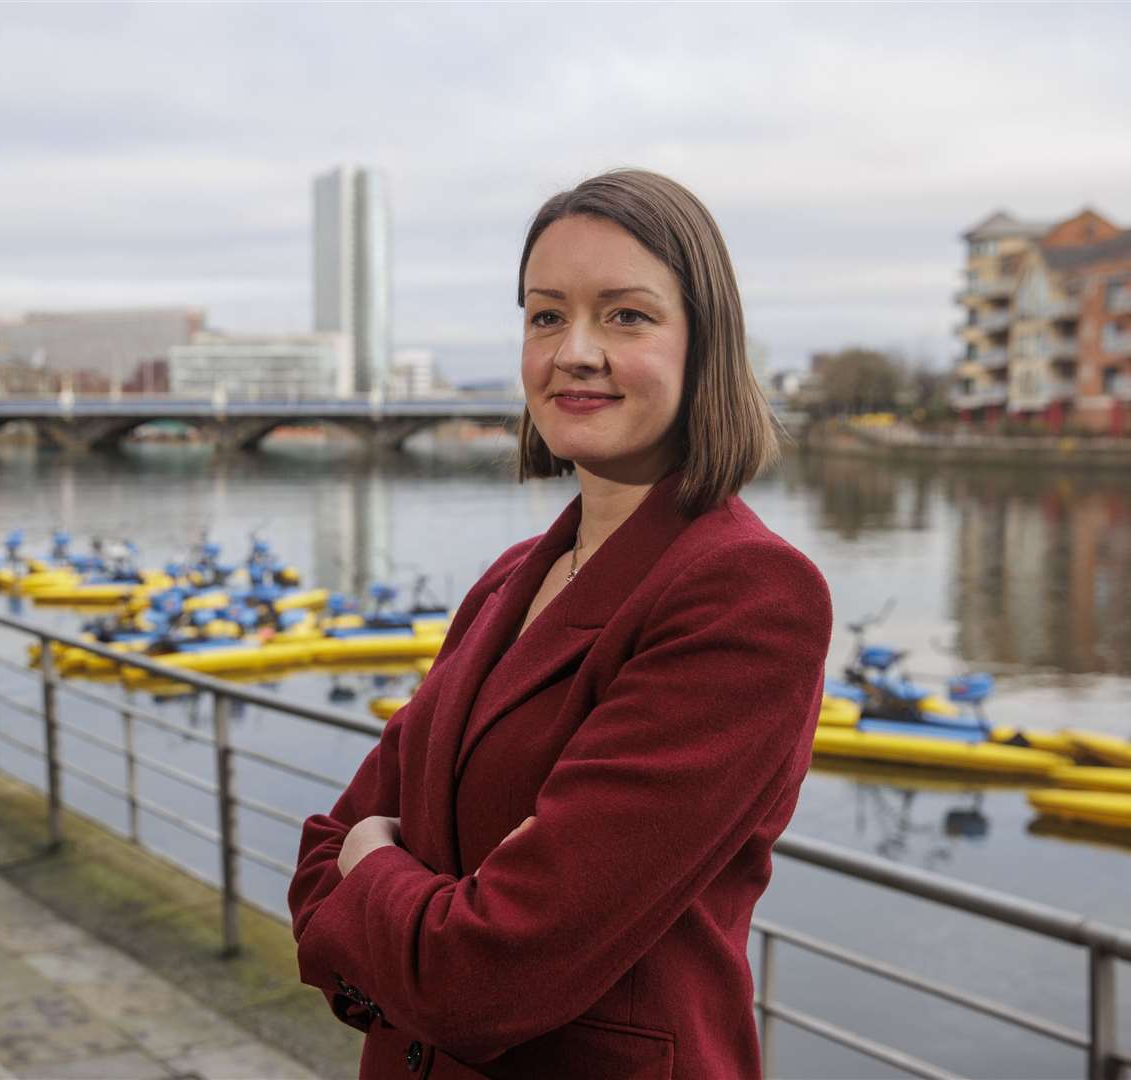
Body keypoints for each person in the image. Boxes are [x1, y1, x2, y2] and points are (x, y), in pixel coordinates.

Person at [287, 169, 832, 1080]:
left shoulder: (747, 591)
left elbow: (488, 975)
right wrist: (410, 910)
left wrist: (373, 871)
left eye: (626, 316)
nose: (574, 350)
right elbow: (315, 862)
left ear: (705, 344)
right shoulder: (515, 578)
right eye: (546, 316)